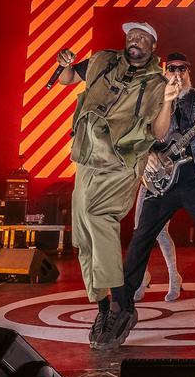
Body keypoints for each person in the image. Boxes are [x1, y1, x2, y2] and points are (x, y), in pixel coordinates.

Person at [54, 22, 169, 350]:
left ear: (152, 47)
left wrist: (169, 101)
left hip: (121, 162)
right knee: (83, 238)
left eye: (143, 37)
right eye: (132, 35)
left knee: (99, 218)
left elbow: (159, 131)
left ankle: (121, 304)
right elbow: (66, 79)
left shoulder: (158, 83)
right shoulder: (102, 60)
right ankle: (103, 307)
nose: (135, 40)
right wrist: (63, 64)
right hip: (86, 160)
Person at [120, 52, 195, 333]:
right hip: (161, 181)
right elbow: (139, 136)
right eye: (172, 68)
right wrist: (148, 154)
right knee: (141, 238)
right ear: (165, 72)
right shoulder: (153, 99)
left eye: (182, 69)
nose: (177, 73)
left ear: (189, 72)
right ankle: (123, 300)